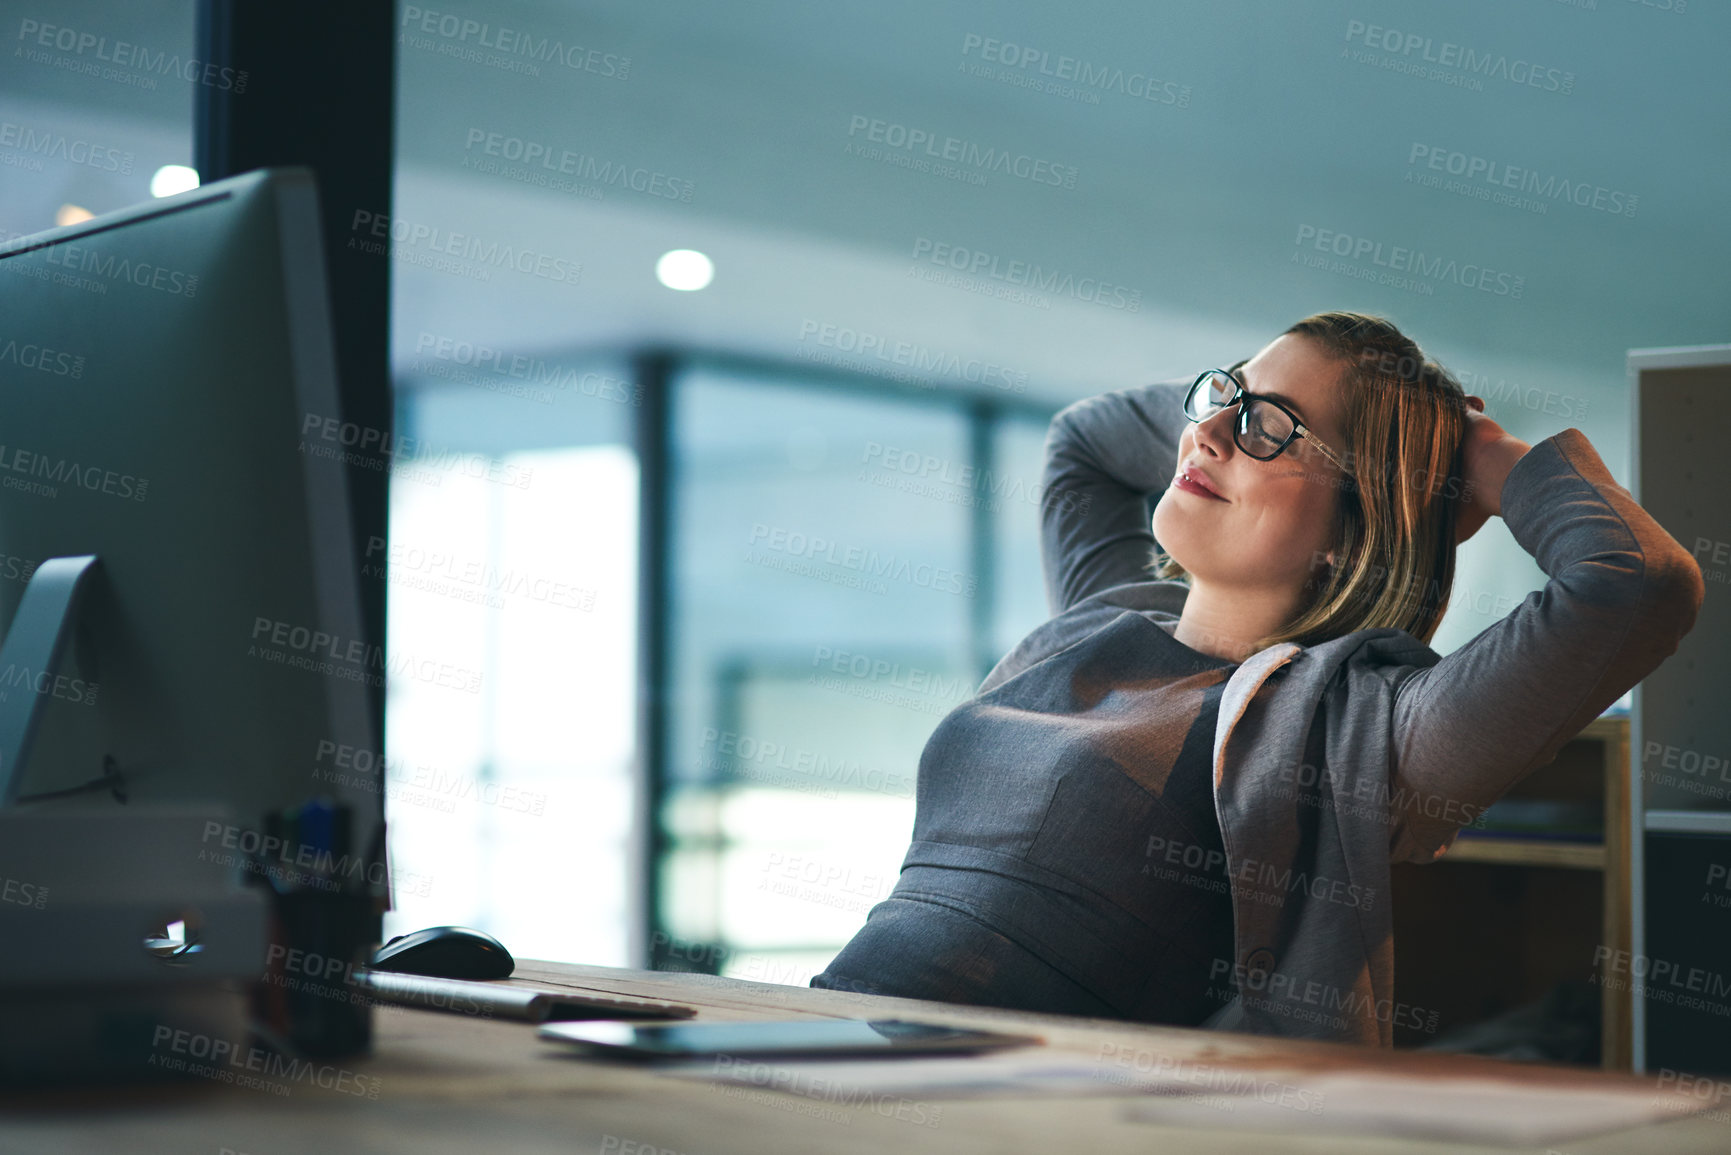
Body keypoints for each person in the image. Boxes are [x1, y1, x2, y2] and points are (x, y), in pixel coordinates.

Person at [808, 310, 1704, 1046]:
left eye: (1267, 427)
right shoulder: (1100, 614)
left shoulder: (1367, 728)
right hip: (824, 1031)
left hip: (1000, 1117)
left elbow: (1634, 582)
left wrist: (1473, 451)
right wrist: (1255, 399)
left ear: (1355, 526)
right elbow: (1082, 441)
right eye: (1220, 396)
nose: (1202, 433)